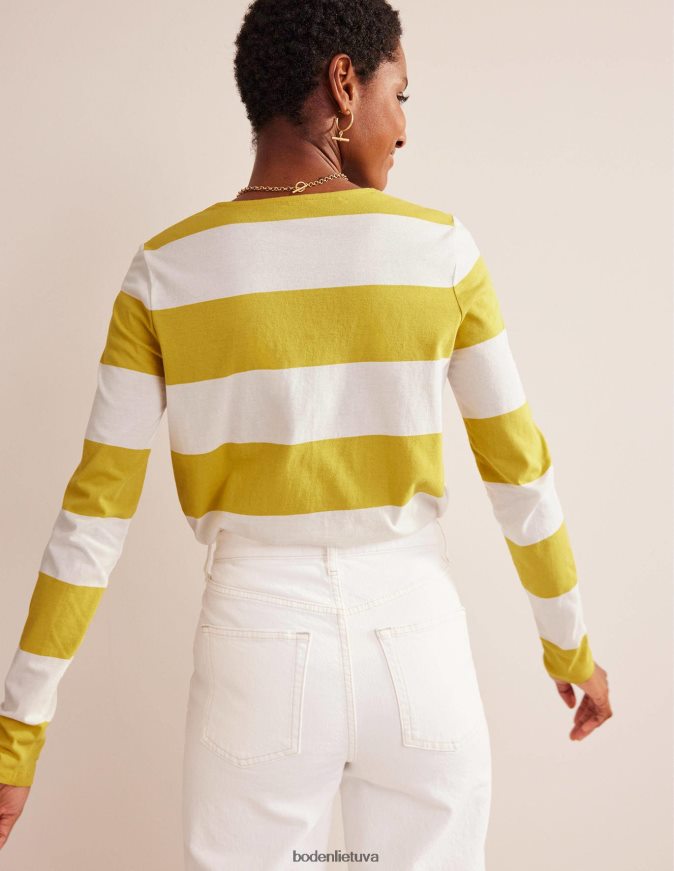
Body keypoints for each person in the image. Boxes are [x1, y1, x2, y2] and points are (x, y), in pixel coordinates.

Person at [0, 0, 612, 867]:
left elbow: (93, 518)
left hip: (255, 650)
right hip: (418, 647)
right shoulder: (440, 251)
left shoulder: (165, 271)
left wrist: (17, 732)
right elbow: (521, 475)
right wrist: (570, 645)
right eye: (400, 94)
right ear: (344, 83)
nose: (404, 128)